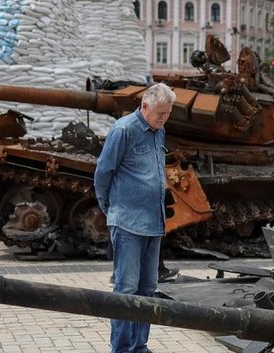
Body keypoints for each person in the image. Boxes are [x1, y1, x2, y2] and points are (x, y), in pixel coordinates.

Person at [94, 83, 176, 353]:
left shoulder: (159, 130)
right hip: (127, 222)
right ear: (144, 107)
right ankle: (121, 349)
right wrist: (111, 211)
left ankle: (139, 346)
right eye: (159, 113)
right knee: (126, 289)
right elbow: (103, 172)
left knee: (148, 288)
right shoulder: (124, 130)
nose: (163, 118)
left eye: (168, 113)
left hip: (154, 223)